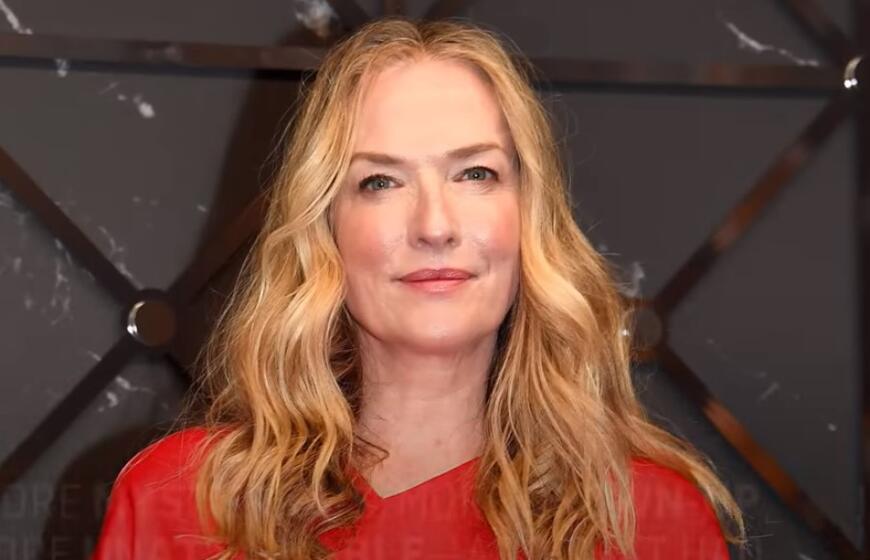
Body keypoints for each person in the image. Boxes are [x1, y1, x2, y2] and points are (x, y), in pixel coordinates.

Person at [91, 16, 747, 560]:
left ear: (531, 215)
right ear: (325, 228)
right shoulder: (182, 503)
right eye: (380, 181)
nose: (435, 225)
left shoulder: (652, 523)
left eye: (476, 174)